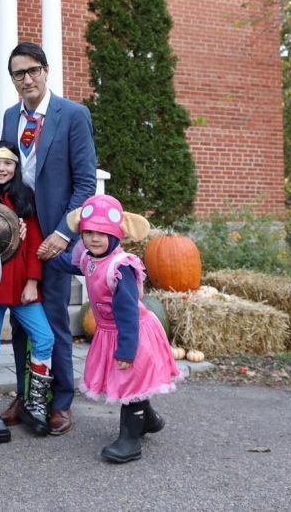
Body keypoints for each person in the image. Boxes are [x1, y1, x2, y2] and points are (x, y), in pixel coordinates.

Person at [0, 41, 97, 435]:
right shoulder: (10, 118)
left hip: (54, 238)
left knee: (55, 321)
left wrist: (63, 234)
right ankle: (26, 395)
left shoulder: (72, 115)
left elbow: (86, 183)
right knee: (22, 321)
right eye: (17, 74)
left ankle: (61, 401)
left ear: (45, 70)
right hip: (18, 240)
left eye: (31, 71)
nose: (26, 79)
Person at [53, 194, 182, 462]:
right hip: (110, 332)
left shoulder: (121, 268)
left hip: (131, 334)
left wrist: (126, 351)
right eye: (88, 232)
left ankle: (130, 441)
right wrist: (44, 258)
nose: (94, 238)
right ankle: (148, 420)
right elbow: (72, 264)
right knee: (132, 384)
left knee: (130, 385)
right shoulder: (90, 258)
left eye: (102, 233)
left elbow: (126, 313)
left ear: (115, 235)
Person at [0, 141, 55, 443]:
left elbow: (34, 243)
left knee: (44, 337)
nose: (1, 169)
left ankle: (35, 404)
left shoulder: (24, 197)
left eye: (8, 164)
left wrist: (33, 281)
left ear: (16, 168)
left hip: (21, 284)